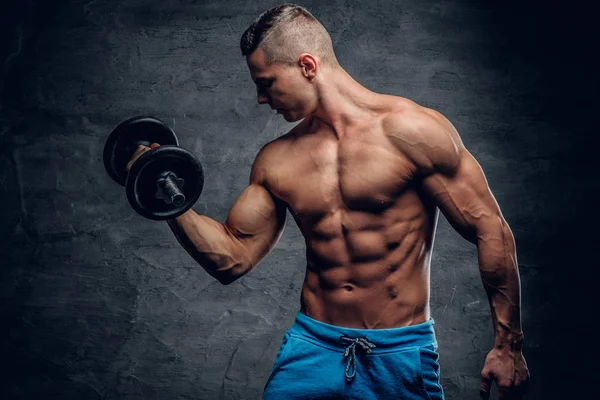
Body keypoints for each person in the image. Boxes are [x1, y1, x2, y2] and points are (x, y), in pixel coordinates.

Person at [128, 4, 529, 399]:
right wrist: (163, 192)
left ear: (307, 66)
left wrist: (508, 345)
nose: (260, 99)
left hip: (399, 353)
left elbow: (489, 227)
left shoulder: (413, 132)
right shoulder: (277, 160)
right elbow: (232, 259)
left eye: (266, 83)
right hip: (312, 350)